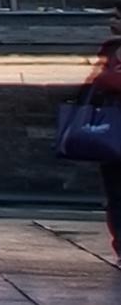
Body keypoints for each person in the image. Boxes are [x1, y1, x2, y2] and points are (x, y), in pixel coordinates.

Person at [81, 19, 121, 259]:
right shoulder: (110, 48)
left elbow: (105, 80)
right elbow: (97, 80)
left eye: (118, 16)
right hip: (111, 130)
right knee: (116, 192)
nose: (112, 22)